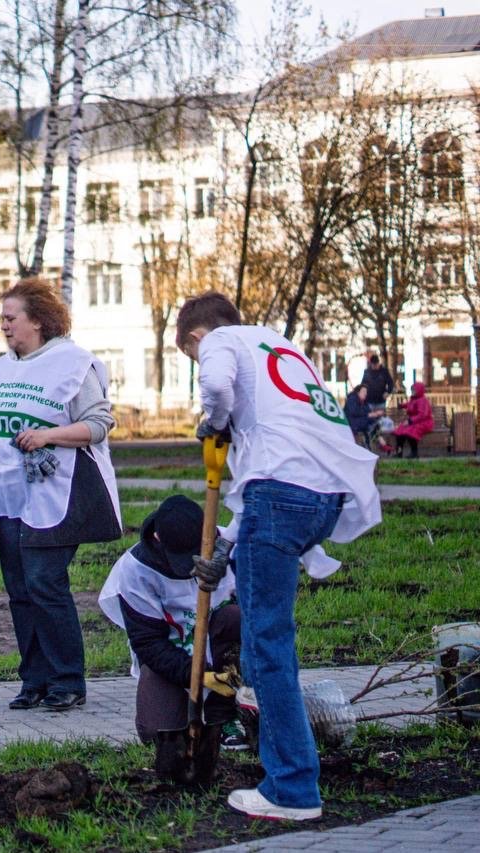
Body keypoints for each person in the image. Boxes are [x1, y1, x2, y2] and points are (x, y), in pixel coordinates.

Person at [174, 291, 379, 821]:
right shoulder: (280, 348)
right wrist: (225, 546)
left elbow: (217, 387)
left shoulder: (220, 340)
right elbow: (268, 483)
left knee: (266, 643)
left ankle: (292, 788)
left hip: (283, 495)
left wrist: (213, 418)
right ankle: (287, 762)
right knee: (270, 633)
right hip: (324, 498)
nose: (201, 363)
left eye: (192, 357)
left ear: (198, 338)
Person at [0, 278, 121, 713]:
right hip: (6, 496)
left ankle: (68, 680)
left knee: (44, 582)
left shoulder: (73, 363)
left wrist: (48, 435)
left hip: (56, 493)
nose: (4, 326)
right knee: (19, 589)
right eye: (2, 319)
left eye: (11, 318)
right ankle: (34, 680)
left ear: (39, 320)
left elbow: (100, 424)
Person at [98, 495, 243, 747]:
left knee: (236, 618)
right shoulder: (136, 570)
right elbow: (149, 645)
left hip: (221, 651)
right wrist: (198, 676)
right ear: (158, 538)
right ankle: (190, 713)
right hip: (171, 661)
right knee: (159, 735)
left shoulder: (227, 548)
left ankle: (226, 715)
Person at [392, 381, 435, 459]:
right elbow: (409, 405)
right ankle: (399, 452)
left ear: (419, 390)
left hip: (424, 422)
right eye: (412, 390)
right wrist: (402, 406)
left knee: (410, 431)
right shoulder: (414, 399)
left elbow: (422, 415)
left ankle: (414, 452)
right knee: (400, 430)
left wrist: (410, 421)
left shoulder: (423, 400)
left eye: (414, 390)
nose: (413, 392)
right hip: (415, 421)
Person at [342, 384, 381, 449]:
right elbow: (354, 411)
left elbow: (368, 412)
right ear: (358, 392)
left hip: (359, 422)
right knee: (370, 422)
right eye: (363, 391)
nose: (365, 393)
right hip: (351, 422)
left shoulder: (364, 401)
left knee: (373, 421)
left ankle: (371, 438)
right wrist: (368, 415)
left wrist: (375, 414)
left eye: (366, 392)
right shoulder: (352, 399)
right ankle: (371, 438)